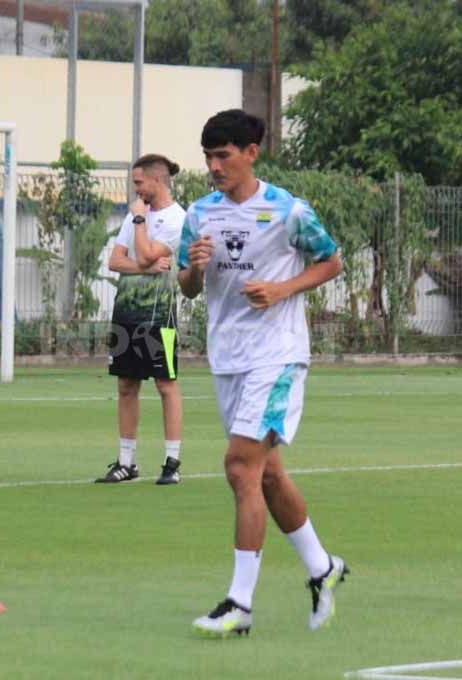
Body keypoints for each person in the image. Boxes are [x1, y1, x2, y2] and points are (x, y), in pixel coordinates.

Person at [177, 109, 348, 637]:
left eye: (223, 155)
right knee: (267, 474)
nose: (213, 166)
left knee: (239, 467)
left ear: (252, 153)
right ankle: (323, 569)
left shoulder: (288, 210)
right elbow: (185, 286)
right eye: (208, 156)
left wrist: (281, 290)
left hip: (277, 355)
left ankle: (240, 603)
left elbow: (331, 262)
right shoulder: (199, 214)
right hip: (226, 356)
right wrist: (195, 268)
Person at [96, 154, 187, 486]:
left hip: (159, 314)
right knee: (125, 384)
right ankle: (126, 462)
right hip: (126, 312)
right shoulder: (134, 213)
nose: (134, 189)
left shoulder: (178, 219)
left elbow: (148, 252)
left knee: (165, 384)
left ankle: (172, 461)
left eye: (138, 183)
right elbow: (116, 262)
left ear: (157, 181)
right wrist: (147, 267)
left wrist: (139, 224)